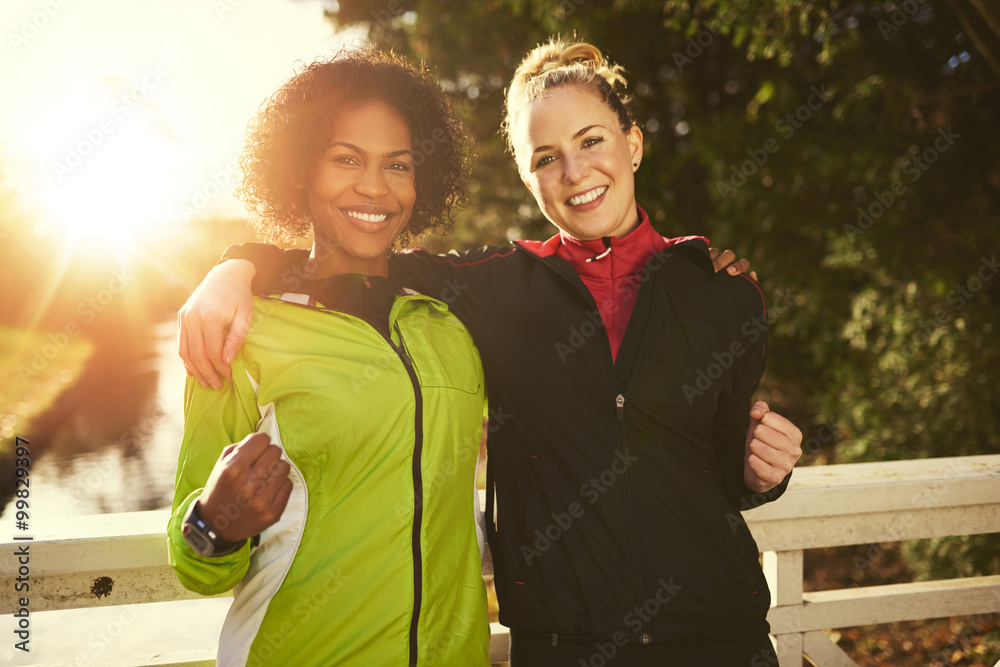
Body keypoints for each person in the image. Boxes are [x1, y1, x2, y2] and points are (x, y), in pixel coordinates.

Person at [179, 38, 804, 665]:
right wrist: (236, 265)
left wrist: (758, 475)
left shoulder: (724, 295)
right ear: (528, 177)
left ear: (633, 144)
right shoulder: (489, 289)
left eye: (592, 141)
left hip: (722, 638)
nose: (576, 172)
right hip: (559, 648)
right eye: (546, 157)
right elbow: (355, 253)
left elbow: (719, 465)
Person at [167, 49, 491, 666]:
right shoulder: (242, 333)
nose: (374, 187)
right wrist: (216, 522)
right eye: (346, 159)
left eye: (398, 165)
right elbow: (194, 566)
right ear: (299, 172)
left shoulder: (450, 326)